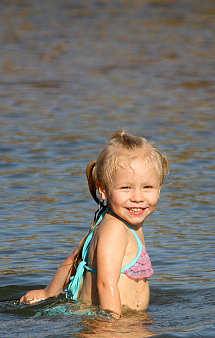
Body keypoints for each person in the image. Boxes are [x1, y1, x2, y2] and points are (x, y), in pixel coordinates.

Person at [19, 131, 169, 317]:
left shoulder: (116, 222)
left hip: (119, 320)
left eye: (147, 187)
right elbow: (106, 284)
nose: (137, 198)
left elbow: (73, 260)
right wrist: (112, 331)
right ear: (103, 190)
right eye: (126, 188)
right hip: (107, 321)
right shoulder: (115, 229)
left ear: (159, 188)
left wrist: (47, 293)